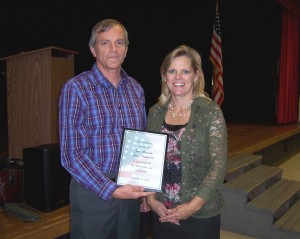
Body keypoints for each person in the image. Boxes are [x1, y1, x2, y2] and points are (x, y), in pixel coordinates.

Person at [58, 18, 154, 239]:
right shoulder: (75, 89)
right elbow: (71, 155)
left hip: (129, 188)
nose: (113, 49)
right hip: (93, 192)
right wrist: (111, 189)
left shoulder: (136, 89)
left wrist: (141, 190)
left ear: (126, 49)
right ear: (93, 49)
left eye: (119, 42)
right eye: (105, 43)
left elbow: (140, 143)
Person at [146, 45, 227, 239]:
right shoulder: (155, 112)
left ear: (196, 75)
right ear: (164, 76)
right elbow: (148, 161)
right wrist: (151, 200)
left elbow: (218, 165)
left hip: (200, 214)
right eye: (172, 71)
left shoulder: (210, 112)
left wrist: (192, 207)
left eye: (185, 71)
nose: (178, 77)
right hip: (162, 211)